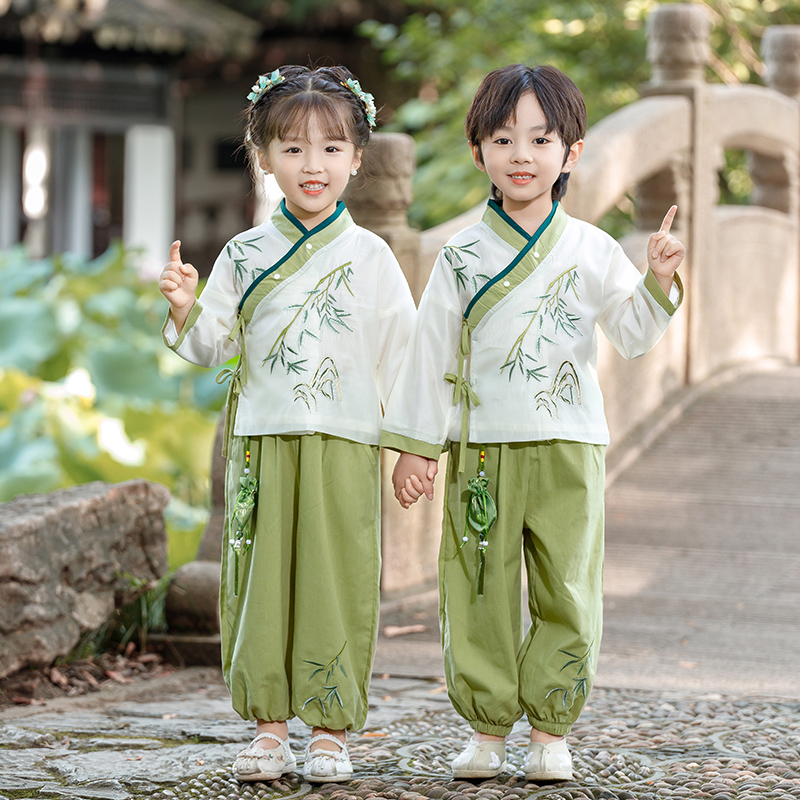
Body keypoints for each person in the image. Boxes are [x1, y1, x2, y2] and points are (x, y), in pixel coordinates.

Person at [380, 63, 685, 782]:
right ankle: (486, 730)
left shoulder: (592, 249)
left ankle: (551, 728)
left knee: (568, 587)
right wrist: (419, 447)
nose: (522, 154)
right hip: (482, 449)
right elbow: (431, 355)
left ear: (571, 152)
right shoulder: (459, 254)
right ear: (477, 151)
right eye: (503, 137)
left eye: (541, 138)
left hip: (569, 445)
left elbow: (635, 334)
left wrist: (661, 279)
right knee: (477, 585)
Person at [159, 65, 415, 784]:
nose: (314, 166)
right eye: (293, 149)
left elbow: (406, 357)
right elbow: (216, 343)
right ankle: (270, 728)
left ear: (358, 160)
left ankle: (330, 729)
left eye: (332, 149)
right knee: (261, 581)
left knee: (338, 578)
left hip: (346, 440)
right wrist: (185, 306)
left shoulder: (373, 258)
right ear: (263, 155)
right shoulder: (243, 255)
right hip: (264, 441)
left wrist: (413, 448)